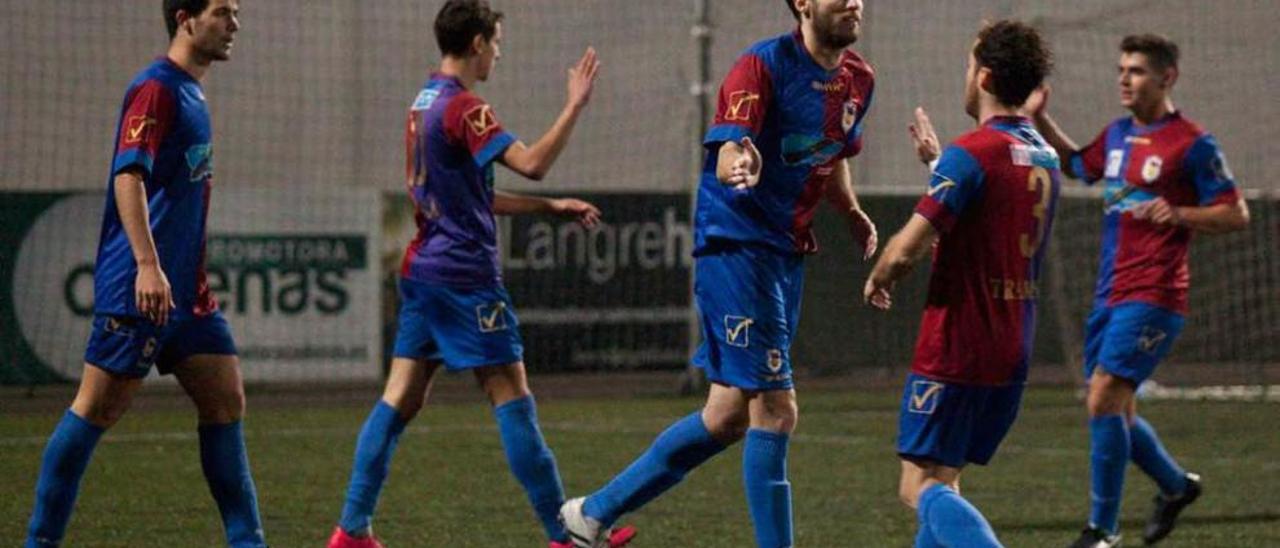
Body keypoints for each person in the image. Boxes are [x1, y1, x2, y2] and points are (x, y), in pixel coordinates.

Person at [558, 1, 877, 546]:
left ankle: (589, 516)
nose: (853, 0)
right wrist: (738, 163)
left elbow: (835, 151)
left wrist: (848, 210)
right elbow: (733, 142)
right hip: (738, 245)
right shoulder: (761, 65)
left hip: (784, 252)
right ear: (801, 3)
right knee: (776, 411)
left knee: (727, 415)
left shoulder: (859, 79)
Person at [325, 2, 633, 547]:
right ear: (474, 43)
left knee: (400, 398)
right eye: (495, 42)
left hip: (422, 268)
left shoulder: (424, 102)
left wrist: (548, 207)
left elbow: (473, 196)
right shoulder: (466, 107)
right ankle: (564, 536)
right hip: (465, 278)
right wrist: (574, 105)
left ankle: (351, 530)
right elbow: (534, 162)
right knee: (511, 395)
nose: (498, 52)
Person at [24, 2, 266, 547]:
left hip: (189, 297)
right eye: (223, 12)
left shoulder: (192, 91)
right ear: (186, 18)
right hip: (141, 289)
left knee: (226, 401)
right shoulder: (155, 87)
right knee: (96, 408)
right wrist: (148, 266)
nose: (235, 23)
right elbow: (128, 177)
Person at [1029, 33, 1250, 548]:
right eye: (1121, 70)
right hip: (1111, 292)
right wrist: (1039, 118)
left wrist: (1179, 212)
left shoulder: (1194, 143)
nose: (1124, 80)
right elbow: (1075, 165)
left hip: (1155, 293)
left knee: (1103, 398)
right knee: (1117, 409)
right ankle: (1176, 487)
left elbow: (1236, 214)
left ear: (1167, 77)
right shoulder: (1117, 136)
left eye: (1136, 71)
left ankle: (1101, 532)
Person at [864, 19, 1057, 548]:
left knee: (918, 484)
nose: (966, 75)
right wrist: (938, 166)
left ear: (986, 77)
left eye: (970, 65)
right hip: (1012, 344)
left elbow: (907, 251)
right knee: (944, 479)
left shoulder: (971, 153)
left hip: (959, 343)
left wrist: (880, 274)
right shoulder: (1044, 154)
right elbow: (988, 214)